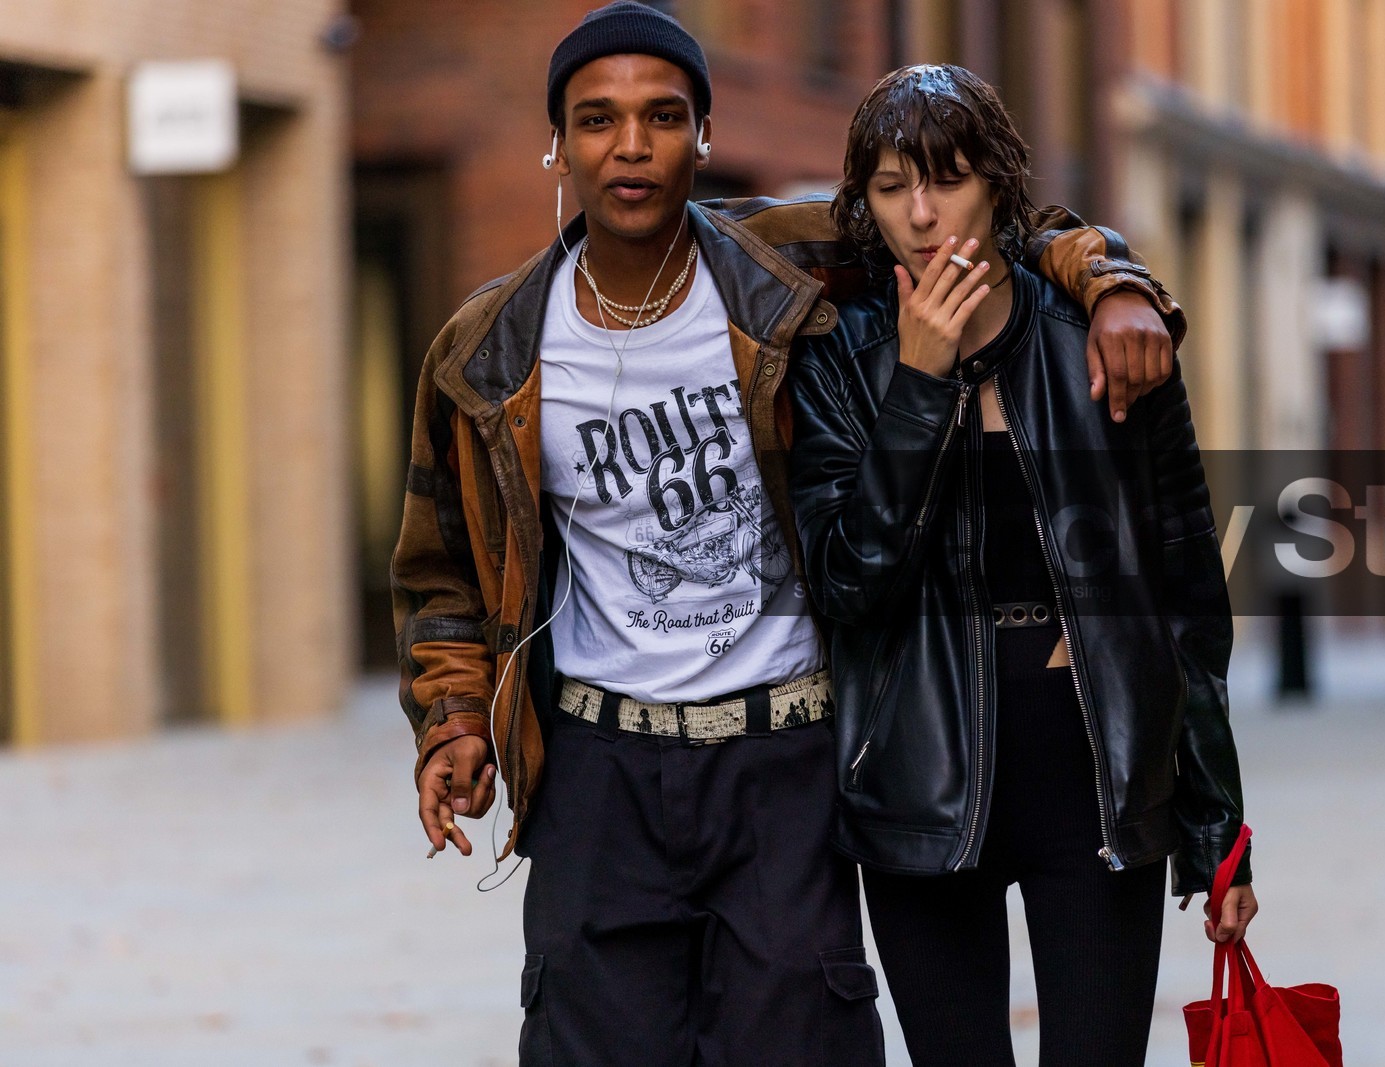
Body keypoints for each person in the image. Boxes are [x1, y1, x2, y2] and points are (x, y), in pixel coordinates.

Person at [391, 5, 1187, 1063]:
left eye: (662, 116)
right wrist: (453, 720)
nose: (631, 146)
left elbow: (981, 216)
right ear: (559, 142)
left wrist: (1111, 279)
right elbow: (438, 559)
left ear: (703, 136)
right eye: (597, 120)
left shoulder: (790, 266)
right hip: (597, 772)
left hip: (784, 757)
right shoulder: (488, 349)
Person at [788, 64, 1258, 1066]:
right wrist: (917, 385)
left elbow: (1185, 591)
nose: (920, 213)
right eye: (887, 186)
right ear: (862, 202)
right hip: (920, 779)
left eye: (947, 178)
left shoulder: (1106, 342)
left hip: (1089, 771)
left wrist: (1218, 824)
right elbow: (845, 584)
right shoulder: (837, 362)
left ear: (999, 182)